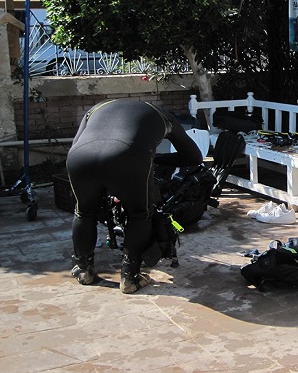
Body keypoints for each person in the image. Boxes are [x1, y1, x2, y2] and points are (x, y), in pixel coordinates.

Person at [67, 98, 203, 294]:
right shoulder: (163, 116)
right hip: (128, 155)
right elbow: (194, 157)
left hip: (79, 156)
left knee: (84, 212)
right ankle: (129, 278)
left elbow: (77, 142)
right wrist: (153, 159)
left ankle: (84, 270)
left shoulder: (97, 108)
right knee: (140, 215)